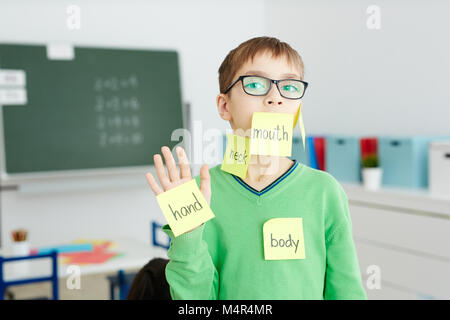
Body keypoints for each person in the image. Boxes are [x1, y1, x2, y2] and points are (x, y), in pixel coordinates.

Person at [145, 36, 367, 300]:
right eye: (255, 84)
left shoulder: (325, 192)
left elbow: (347, 291)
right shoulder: (197, 193)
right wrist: (188, 233)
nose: (275, 97)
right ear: (224, 106)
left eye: (289, 86)